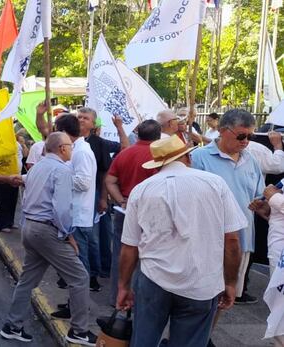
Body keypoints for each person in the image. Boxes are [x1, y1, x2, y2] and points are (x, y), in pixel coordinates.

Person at [117, 135, 245, 346]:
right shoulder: (215, 184)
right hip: (201, 281)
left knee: (144, 340)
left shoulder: (142, 190)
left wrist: (123, 286)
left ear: (157, 165)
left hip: (153, 278)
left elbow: (129, 246)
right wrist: (230, 282)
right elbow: (232, 240)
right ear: (187, 157)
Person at [0, 132, 97, 346]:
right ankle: (79, 331)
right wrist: (67, 234)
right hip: (46, 230)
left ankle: (13, 325)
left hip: (31, 228)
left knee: (28, 279)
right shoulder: (61, 170)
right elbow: (62, 209)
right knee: (80, 277)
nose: (72, 149)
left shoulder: (38, 167)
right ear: (62, 148)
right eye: (70, 146)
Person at [191, 109, 265, 305]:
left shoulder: (251, 160)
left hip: (241, 241)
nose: (246, 141)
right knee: (199, 300)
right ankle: (192, 336)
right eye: (241, 135)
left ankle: (206, 336)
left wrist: (261, 203)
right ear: (223, 131)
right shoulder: (198, 158)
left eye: (251, 136)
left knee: (225, 299)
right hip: (208, 240)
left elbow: (259, 194)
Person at [104, 120, 161, 305]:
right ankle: (139, 298)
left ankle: (116, 297)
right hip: (150, 212)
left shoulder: (125, 153)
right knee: (147, 256)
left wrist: (121, 199)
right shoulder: (159, 156)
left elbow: (110, 180)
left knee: (121, 254)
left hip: (124, 210)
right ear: (158, 136)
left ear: (138, 134)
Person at [76, 108, 128, 291]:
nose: (81, 120)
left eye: (86, 118)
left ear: (93, 124)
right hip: (76, 198)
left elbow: (120, 152)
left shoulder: (98, 143)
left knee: (95, 236)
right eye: (79, 117)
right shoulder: (68, 140)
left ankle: (95, 274)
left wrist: (103, 198)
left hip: (95, 194)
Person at [55, 114, 97, 291]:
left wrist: (60, 178)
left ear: (64, 132)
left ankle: (80, 304)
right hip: (73, 215)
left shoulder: (81, 152)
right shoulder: (77, 149)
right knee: (74, 264)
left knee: (79, 264)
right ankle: (75, 302)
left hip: (78, 216)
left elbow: (83, 182)